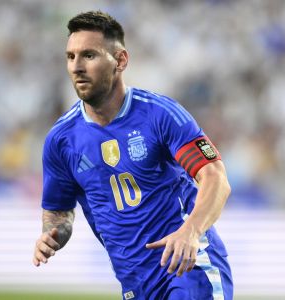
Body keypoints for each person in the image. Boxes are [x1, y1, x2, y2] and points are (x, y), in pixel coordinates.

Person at [33, 11, 233, 300]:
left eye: (89, 55)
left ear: (121, 61)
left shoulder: (160, 115)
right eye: (70, 56)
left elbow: (215, 177)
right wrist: (52, 236)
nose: (76, 67)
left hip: (188, 266)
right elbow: (58, 211)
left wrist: (191, 231)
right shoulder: (61, 140)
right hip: (136, 282)